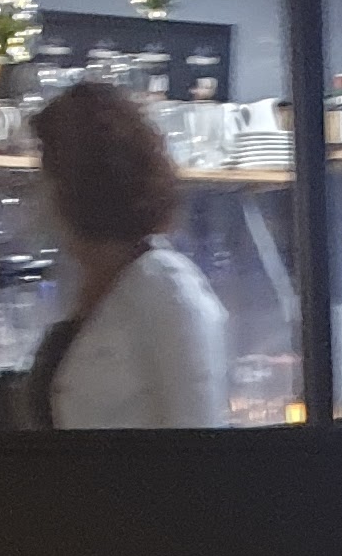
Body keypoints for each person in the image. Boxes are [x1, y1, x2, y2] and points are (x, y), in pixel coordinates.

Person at [27, 82, 229, 430]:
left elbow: (198, 442)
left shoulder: (168, 290)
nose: (39, 198)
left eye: (47, 176)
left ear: (76, 189)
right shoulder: (98, 281)